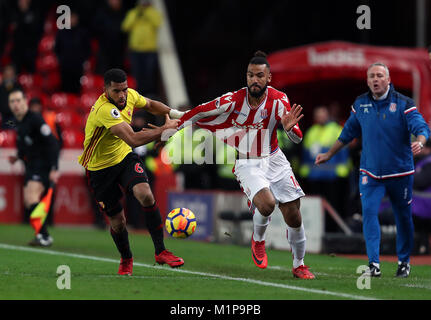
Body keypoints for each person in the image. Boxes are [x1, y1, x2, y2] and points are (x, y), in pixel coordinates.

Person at [177, 51, 315, 279]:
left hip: (274, 159)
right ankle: (258, 240)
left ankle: (299, 264)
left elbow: (298, 137)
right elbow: (201, 110)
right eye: (250, 75)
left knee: (294, 215)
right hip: (247, 162)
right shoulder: (233, 99)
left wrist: (290, 130)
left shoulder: (279, 100)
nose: (254, 80)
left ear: (268, 78)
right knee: (268, 204)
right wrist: (176, 122)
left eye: (260, 75)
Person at [315, 62, 430, 278]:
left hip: (400, 173)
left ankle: (404, 261)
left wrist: (421, 141)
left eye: (379, 76)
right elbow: (348, 132)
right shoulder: (360, 104)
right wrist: (329, 154)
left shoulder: (404, 104)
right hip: (370, 173)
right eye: (371, 76)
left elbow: (421, 127)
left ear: (388, 80)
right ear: (367, 81)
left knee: (403, 217)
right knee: (368, 213)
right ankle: (374, 263)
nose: (375, 80)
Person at [78, 68, 185, 275]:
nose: (122, 95)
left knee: (145, 193)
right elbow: (134, 139)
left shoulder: (130, 95)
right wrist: (165, 130)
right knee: (118, 222)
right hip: (99, 169)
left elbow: (152, 105)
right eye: (117, 91)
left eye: (124, 90)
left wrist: (173, 114)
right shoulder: (104, 110)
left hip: (124, 157)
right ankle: (126, 258)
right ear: (106, 90)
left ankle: (161, 251)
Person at [8, 88, 60, 246]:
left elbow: (53, 143)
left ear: (25, 101)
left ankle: (43, 236)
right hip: (31, 165)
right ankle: (43, 235)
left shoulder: (35, 119)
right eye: (12, 101)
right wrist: (17, 156)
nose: (15, 104)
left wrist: (54, 168)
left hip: (42, 165)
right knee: (28, 201)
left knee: (31, 198)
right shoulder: (19, 121)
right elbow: (25, 144)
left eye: (18, 100)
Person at [299, 105, 351, 231]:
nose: (320, 117)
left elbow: (344, 155)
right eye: (317, 115)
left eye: (322, 114)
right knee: (316, 208)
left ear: (327, 115)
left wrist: (340, 172)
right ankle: (318, 231)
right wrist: (305, 172)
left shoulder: (336, 129)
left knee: (334, 206)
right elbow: (305, 156)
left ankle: (333, 231)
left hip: (332, 178)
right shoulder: (311, 131)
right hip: (315, 177)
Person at [121, 0, 162, 97]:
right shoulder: (133, 13)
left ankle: (149, 95)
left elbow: (158, 23)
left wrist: (146, 12)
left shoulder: (154, 12)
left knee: (149, 74)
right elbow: (125, 27)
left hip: (149, 50)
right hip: (135, 50)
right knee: (137, 74)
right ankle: (137, 95)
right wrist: (138, 14)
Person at [54, 11, 91, 93]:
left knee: (77, 90)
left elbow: (87, 49)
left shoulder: (82, 33)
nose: (72, 20)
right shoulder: (61, 32)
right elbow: (57, 49)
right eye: (70, 18)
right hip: (65, 67)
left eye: (74, 18)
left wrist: (83, 60)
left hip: (78, 67)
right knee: (65, 89)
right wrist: (61, 60)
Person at [0, 65, 23, 129]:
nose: (9, 78)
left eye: (11, 75)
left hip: (18, 116)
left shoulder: (18, 87)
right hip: (7, 118)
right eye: (7, 75)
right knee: (12, 125)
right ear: (4, 76)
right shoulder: (1, 89)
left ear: (14, 76)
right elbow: (4, 108)